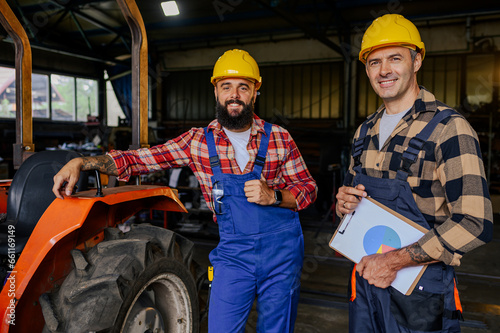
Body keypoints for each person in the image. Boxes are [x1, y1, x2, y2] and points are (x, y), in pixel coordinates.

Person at [53, 49, 317, 332]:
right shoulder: (197, 143)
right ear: (216, 91)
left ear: (255, 92)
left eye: (244, 86)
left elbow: (308, 189)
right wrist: (82, 161)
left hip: (282, 256)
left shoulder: (279, 138)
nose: (234, 94)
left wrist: (275, 196)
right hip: (234, 256)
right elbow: (138, 159)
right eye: (226, 86)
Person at [335, 14, 493, 333]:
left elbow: (475, 222)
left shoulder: (449, 129)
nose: (384, 71)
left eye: (395, 58)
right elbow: (352, 203)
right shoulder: (364, 131)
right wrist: (343, 205)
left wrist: (393, 262)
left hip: (421, 292)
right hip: (366, 283)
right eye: (374, 62)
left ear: (416, 60)